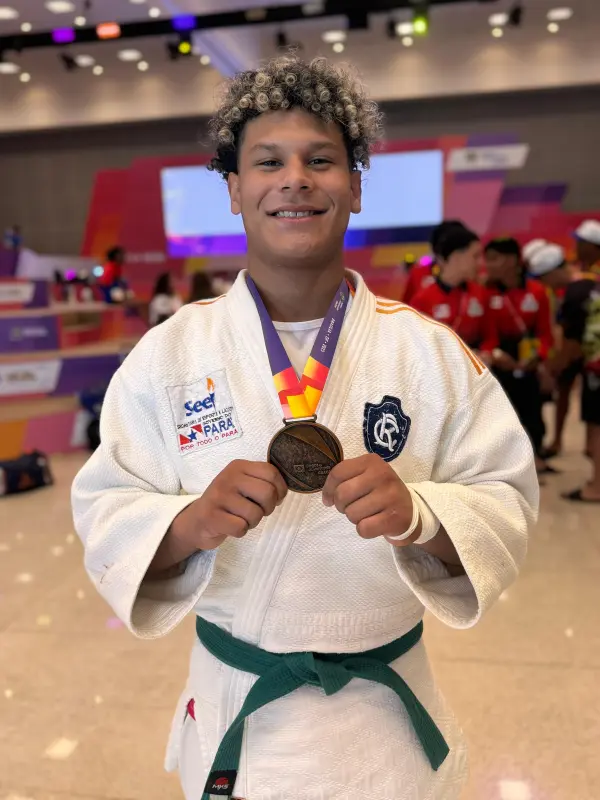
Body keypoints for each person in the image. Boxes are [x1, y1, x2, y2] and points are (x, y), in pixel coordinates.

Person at [71, 56, 538, 800]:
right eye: (268, 162)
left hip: (385, 730)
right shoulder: (170, 354)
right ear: (233, 189)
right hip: (239, 722)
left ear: (355, 184)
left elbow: (507, 503)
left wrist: (421, 514)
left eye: (321, 160)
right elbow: (104, 508)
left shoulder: (429, 352)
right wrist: (190, 523)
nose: (295, 179)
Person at [484, 237, 554, 474]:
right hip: (498, 361)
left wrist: (538, 356)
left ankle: (536, 456)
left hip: (529, 358)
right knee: (502, 413)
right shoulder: (485, 292)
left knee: (532, 409)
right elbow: (486, 333)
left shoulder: (537, 291)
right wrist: (496, 354)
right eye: (487, 259)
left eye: (494, 259)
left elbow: (545, 333)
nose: (488, 265)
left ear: (513, 260)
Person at [411, 222, 497, 359]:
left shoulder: (480, 293)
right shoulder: (422, 300)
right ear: (456, 257)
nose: (480, 263)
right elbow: (415, 348)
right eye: (475, 256)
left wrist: (486, 353)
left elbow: (490, 338)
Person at [553, 260, 600, 502]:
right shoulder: (591, 286)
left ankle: (597, 486)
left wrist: (558, 365)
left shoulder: (579, 292)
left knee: (597, 425)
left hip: (597, 366)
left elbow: (574, 339)